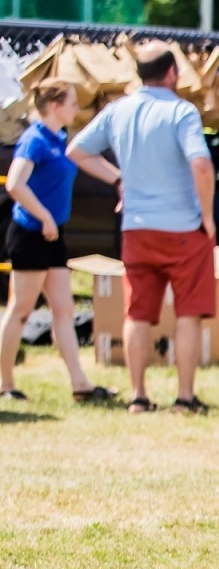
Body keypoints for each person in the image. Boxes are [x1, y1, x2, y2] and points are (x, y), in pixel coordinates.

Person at [68, 42, 216, 414]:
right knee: (187, 313)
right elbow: (200, 164)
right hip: (183, 226)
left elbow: (77, 151)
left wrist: (119, 180)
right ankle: (184, 397)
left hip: (136, 225)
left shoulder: (119, 110)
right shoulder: (183, 112)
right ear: (172, 73)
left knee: (137, 313)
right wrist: (208, 214)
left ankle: (138, 396)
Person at [0, 79, 112, 403]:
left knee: (63, 308)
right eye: (72, 102)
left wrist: (121, 181)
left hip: (53, 235)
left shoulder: (59, 138)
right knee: (20, 310)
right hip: (31, 233)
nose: (77, 109)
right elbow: (16, 184)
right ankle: (6, 384)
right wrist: (45, 217)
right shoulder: (34, 139)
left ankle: (80, 383)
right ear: (54, 106)